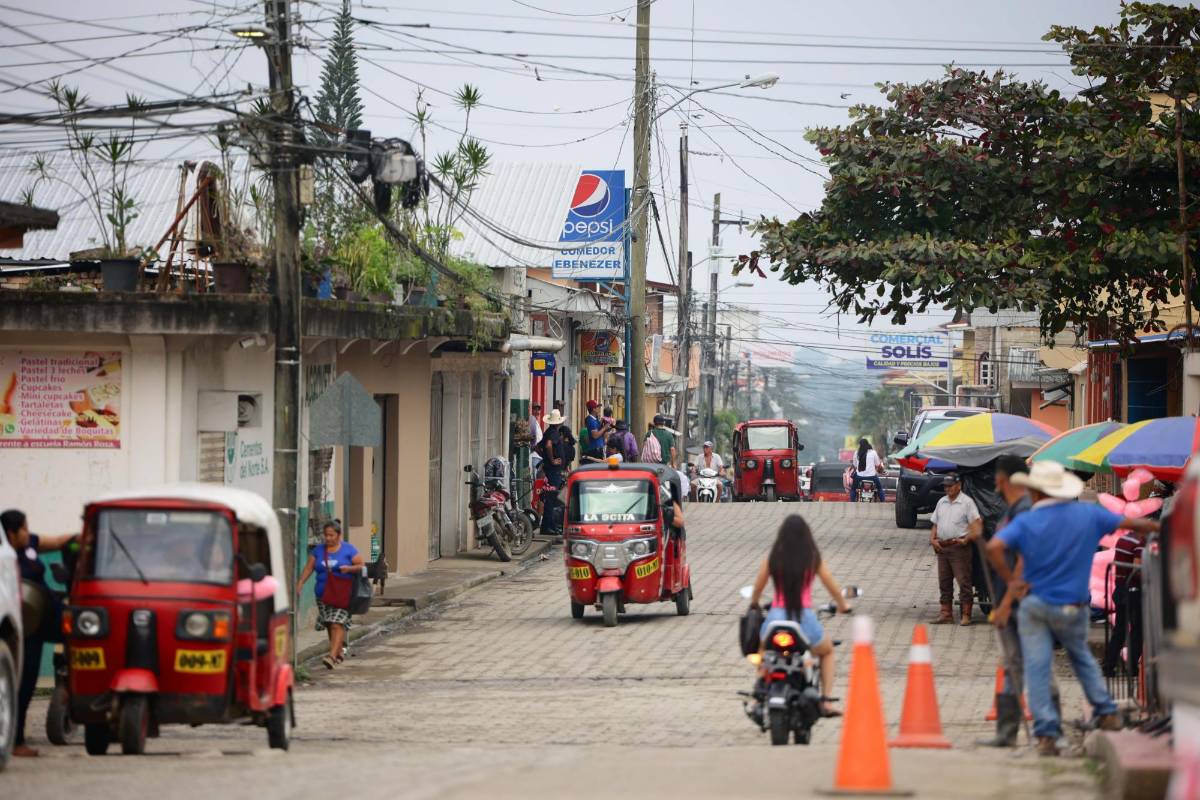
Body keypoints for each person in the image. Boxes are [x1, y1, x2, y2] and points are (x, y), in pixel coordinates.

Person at [987, 461, 1159, 756]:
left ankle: (1047, 735)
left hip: (1035, 605)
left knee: (1038, 668)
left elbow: (993, 549)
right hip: (1073, 606)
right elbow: (1136, 525)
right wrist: (1165, 530)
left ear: (1035, 492)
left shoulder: (1027, 522)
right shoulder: (1087, 514)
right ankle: (1106, 711)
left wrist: (1011, 583)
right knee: (1082, 660)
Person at [748, 514, 852, 716]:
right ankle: (826, 700)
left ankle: (758, 696)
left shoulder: (773, 557)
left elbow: (758, 586)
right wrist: (842, 605)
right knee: (827, 651)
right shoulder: (812, 557)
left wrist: (754, 603)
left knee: (762, 654)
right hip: (804, 619)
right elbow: (831, 585)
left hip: (775, 618)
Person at [978, 454, 1045, 748]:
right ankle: (1007, 734)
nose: (994, 481)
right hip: (1012, 600)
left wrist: (1006, 602)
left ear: (1003, 479)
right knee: (1013, 665)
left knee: (1035, 664)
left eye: (996, 476)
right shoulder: (1014, 509)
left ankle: (1046, 732)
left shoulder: (1024, 512)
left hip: (1022, 602)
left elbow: (1024, 560)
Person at [1, 509, 77, 757]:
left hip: (50, 612)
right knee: (26, 679)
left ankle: (67, 679)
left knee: (82, 633)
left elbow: (56, 541)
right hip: (27, 624)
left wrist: (84, 534)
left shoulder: (31, 544)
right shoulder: (6, 556)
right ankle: (17, 740)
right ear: (11, 533)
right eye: (23, 528)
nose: (28, 532)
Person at [296, 520, 364, 670]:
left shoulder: (348, 550)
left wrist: (350, 569)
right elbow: (309, 568)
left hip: (342, 594)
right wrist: (300, 582)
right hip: (322, 594)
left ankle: (331, 656)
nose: (328, 538)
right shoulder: (318, 551)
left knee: (336, 623)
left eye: (331, 535)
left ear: (339, 535)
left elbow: (361, 566)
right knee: (329, 623)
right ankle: (338, 651)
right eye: (326, 535)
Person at [929, 472, 982, 626]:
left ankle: (966, 615)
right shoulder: (942, 502)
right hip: (942, 547)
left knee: (963, 581)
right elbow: (935, 524)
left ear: (959, 486)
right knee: (944, 581)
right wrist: (932, 539)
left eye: (950, 486)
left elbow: (977, 524)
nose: (947, 489)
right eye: (945, 486)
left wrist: (967, 539)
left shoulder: (967, 503)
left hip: (959, 547)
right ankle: (946, 613)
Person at [1103, 526, 1145, 679]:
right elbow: (1137, 568)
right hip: (1133, 590)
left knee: (1119, 630)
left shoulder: (1124, 539)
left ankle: (1109, 667)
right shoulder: (1141, 542)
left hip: (1120, 588)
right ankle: (1131, 668)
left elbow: (1116, 563)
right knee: (1138, 629)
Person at [537, 408, 570, 534]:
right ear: (558, 423)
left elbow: (538, 447)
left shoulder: (548, 432)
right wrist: (551, 460)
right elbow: (548, 445)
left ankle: (549, 525)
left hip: (551, 469)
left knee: (550, 497)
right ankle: (547, 527)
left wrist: (545, 457)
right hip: (553, 470)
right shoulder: (553, 433)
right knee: (551, 498)